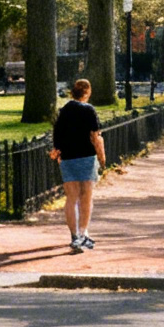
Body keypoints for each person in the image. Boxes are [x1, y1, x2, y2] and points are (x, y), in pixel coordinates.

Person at [52, 78, 105, 252]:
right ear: (87, 92)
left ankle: (74, 236)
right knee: (86, 196)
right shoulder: (89, 110)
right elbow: (95, 136)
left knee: (71, 197)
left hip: (68, 157)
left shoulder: (64, 110)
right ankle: (83, 233)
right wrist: (102, 157)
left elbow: (57, 135)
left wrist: (58, 151)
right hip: (87, 156)